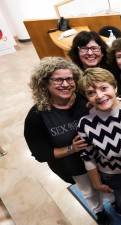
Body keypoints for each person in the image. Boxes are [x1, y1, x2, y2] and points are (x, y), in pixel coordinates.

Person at [23, 57, 108, 224]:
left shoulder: (85, 99)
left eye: (69, 79)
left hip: (101, 156)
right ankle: (99, 211)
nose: (66, 84)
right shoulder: (37, 116)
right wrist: (72, 148)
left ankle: (114, 203)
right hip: (73, 165)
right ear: (44, 83)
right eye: (58, 80)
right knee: (89, 192)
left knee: (107, 184)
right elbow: (41, 153)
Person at [77, 68, 121, 225]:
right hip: (113, 174)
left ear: (115, 87)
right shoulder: (85, 123)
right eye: (91, 92)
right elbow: (88, 156)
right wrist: (96, 183)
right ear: (87, 98)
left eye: (104, 88)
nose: (99, 95)